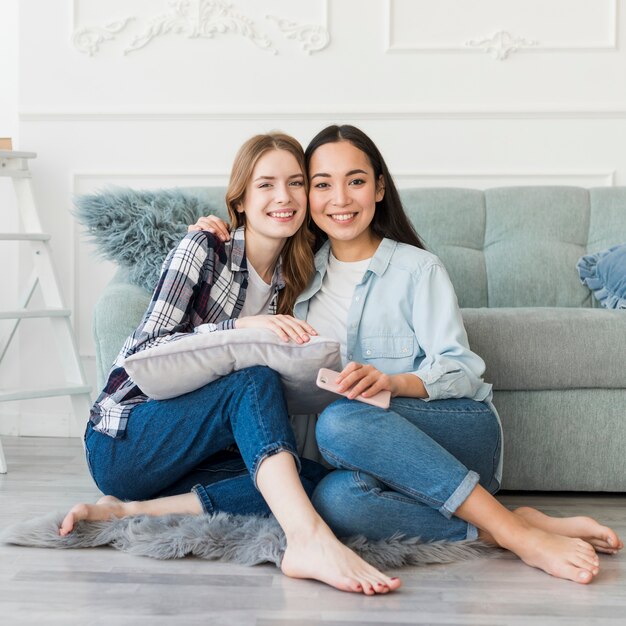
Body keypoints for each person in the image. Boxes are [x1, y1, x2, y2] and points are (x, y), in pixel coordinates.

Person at [193, 125, 623, 585]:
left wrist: (393, 383)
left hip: (454, 431)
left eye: (356, 181)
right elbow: (245, 270)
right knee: (335, 502)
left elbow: (461, 370)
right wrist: (217, 236)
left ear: (379, 187)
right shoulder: (295, 278)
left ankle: (521, 536)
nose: (340, 198)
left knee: (341, 420)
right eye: (322, 184)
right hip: (364, 456)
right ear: (307, 195)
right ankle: (506, 524)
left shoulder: (418, 268)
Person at [60, 132, 402, 596]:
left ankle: (126, 512)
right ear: (239, 200)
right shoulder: (203, 249)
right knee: (252, 379)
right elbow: (147, 351)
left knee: (308, 483)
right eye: (266, 185)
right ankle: (307, 541)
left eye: (296, 183)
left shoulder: (298, 278)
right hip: (126, 439)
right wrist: (243, 328)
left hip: (199, 455)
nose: (283, 196)